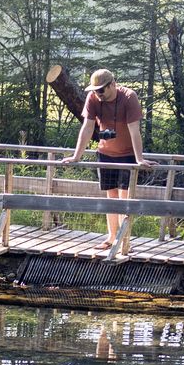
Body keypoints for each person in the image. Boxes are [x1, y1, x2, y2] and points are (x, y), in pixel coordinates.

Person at [67, 69, 145, 259]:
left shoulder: (129, 97)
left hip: (127, 155)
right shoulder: (93, 99)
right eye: (95, 90)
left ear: (112, 84)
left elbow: (134, 129)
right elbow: (87, 127)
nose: (97, 94)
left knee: (125, 198)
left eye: (101, 90)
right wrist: (77, 156)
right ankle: (111, 237)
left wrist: (139, 159)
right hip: (105, 154)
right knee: (111, 196)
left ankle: (124, 239)